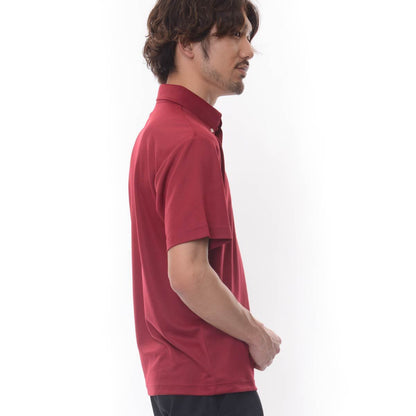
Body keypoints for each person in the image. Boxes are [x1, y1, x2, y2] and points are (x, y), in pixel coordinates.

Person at [128, 1, 282, 414]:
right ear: (187, 45)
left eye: (247, 36)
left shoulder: (158, 131)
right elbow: (189, 274)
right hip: (210, 383)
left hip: (178, 381)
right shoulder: (189, 139)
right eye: (233, 35)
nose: (248, 51)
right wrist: (257, 336)